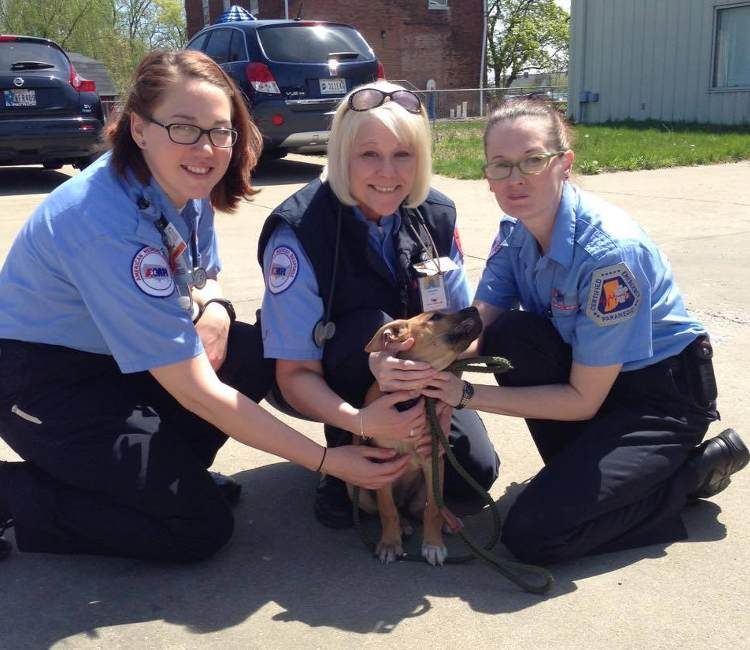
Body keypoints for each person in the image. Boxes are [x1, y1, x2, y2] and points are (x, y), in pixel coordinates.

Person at [0, 50, 412, 562]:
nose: (207, 148)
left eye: (221, 130)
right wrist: (329, 460)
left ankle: (162, 479)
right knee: (196, 529)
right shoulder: (102, 222)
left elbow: (204, 275)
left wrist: (215, 307)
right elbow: (196, 391)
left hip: (118, 359)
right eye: (183, 127)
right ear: (138, 128)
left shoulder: (184, 186)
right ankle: (15, 498)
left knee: (247, 346)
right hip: (46, 383)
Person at [406, 99, 748, 564]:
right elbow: (480, 323)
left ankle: (686, 475)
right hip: (591, 374)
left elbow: (581, 399)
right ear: (487, 175)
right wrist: (415, 356)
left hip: (657, 400)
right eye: (501, 166)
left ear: (563, 163)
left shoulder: (609, 256)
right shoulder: (515, 232)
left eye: (532, 161)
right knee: (512, 332)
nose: (515, 178)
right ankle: (607, 480)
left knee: (534, 535)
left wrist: (461, 394)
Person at [258, 80, 499, 529]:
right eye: (369, 154)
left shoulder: (437, 215)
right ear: (342, 155)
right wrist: (363, 421)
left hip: (423, 384)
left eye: (402, 154)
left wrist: (443, 400)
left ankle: (395, 449)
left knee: (476, 475)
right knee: (372, 324)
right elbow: (292, 375)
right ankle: (342, 457)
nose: (388, 173)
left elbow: (465, 336)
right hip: (330, 378)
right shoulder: (299, 230)